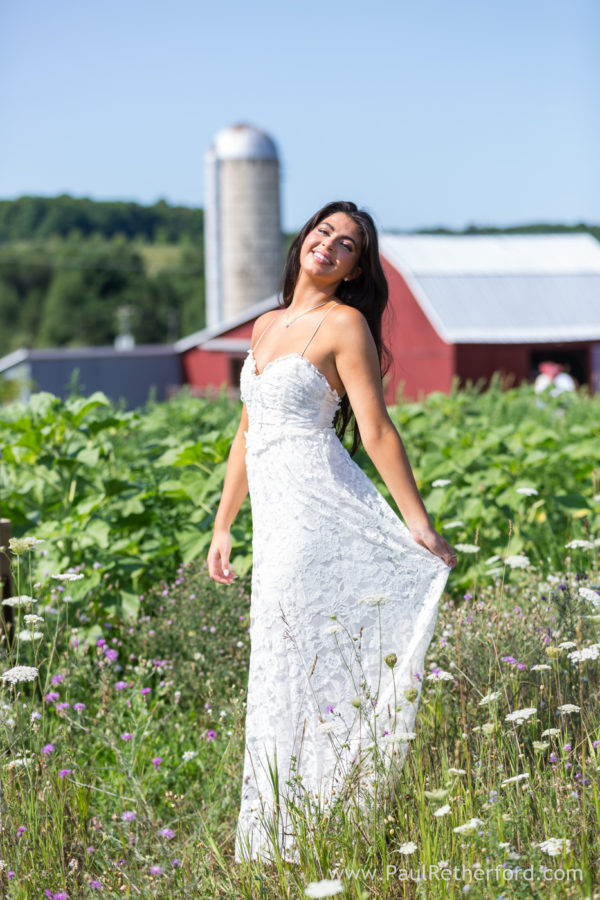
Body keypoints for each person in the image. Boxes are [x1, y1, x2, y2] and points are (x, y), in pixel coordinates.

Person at [206, 200, 456, 865]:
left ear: (352, 270)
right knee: (279, 653)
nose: (330, 245)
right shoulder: (263, 325)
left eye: (346, 245)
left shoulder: (345, 325)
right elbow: (247, 431)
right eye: (324, 233)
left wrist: (418, 523)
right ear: (303, 243)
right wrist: (223, 523)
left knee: (308, 652)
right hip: (275, 515)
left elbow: (375, 430)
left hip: (320, 508)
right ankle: (282, 825)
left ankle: (329, 814)